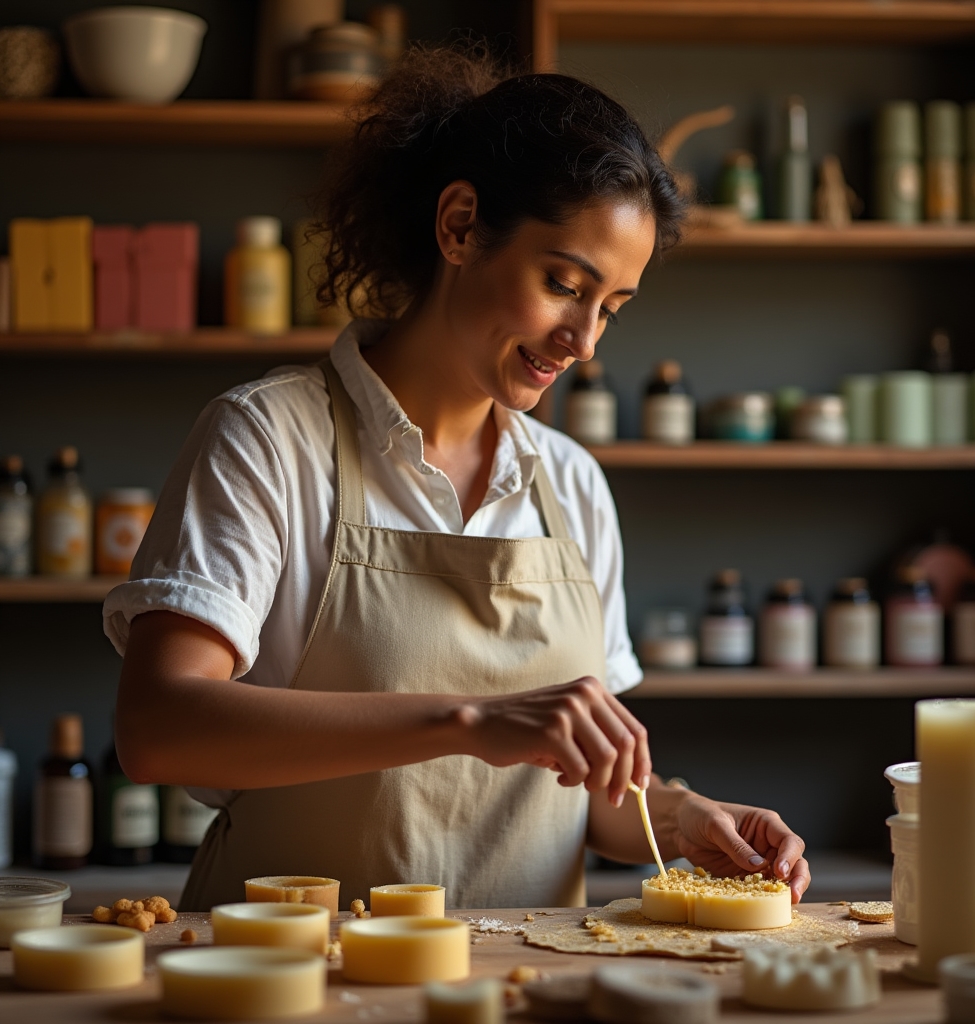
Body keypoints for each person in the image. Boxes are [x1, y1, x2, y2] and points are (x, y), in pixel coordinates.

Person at [105, 44, 810, 911]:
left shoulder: (573, 485)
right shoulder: (270, 440)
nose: (584, 342)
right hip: (294, 976)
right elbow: (158, 729)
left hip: (523, 984)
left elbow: (590, 794)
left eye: (611, 309)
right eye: (564, 284)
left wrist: (679, 814)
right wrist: (469, 722)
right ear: (460, 226)